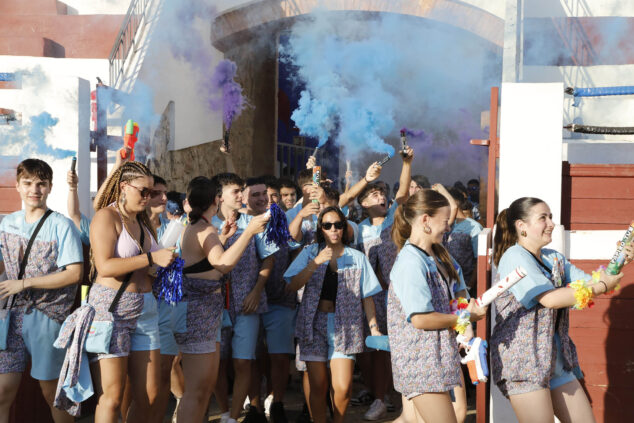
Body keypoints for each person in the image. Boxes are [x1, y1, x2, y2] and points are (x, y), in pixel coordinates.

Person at [491, 197, 631, 423]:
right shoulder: (514, 256)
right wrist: (601, 285)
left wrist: (621, 259)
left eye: (551, 217)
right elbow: (551, 299)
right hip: (524, 363)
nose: (551, 223)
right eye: (543, 218)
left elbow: (590, 283)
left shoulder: (553, 258)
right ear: (521, 226)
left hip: (554, 360)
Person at [88, 161, 177, 423]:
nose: (149, 198)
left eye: (152, 193)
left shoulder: (142, 221)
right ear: (125, 187)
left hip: (146, 310)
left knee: (149, 394)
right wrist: (151, 258)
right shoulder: (107, 216)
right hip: (112, 310)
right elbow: (104, 266)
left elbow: (150, 262)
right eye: (144, 192)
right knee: (112, 396)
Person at [174, 176, 269, 422]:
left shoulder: (199, 227)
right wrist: (248, 232)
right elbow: (223, 264)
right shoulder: (203, 229)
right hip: (199, 315)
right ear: (216, 201)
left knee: (202, 389)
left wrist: (224, 238)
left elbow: (206, 263)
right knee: (196, 390)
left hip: (204, 314)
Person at [388, 189, 487, 423]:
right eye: (444, 221)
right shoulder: (411, 262)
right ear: (425, 220)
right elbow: (420, 319)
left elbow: (456, 295)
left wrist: (464, 320)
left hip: (436, 359)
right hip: (421, 364)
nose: (449, 227)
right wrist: (465, 318)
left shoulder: (436, 254)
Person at [0, 158, 84, 423]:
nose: (34, 189)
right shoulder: (6, 223)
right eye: (28, 183)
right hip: (9, 316)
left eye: (41, 184)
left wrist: (24, 283)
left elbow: (75, 274)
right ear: (17, 186)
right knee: (2, 392)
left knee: (52, 393)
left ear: (49, 187)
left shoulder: (62, 225)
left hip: (47, 318)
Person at [285, 206, 383, 423]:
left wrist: (374, 326)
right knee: (318, 385)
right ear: (321, 228)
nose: (334, 229)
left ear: (344, 227)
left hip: (346, 326)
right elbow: (291, 286)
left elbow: (367, 296)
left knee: (344, 387)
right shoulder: (310, 252)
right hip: (313, 323)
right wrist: (315, 263)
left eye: (338, 224)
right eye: (328, 225)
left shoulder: (357, 257)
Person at [210, 173, 278, 423]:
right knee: (216, 364)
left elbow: (268, 258)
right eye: (236, 192)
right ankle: (225, 410)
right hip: (215, 304)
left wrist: (257, 289)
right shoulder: (208, 224)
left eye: (242, 190)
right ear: (219, 197)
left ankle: (234, 417)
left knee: (243, 362)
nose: (242, 196)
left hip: (248, 302)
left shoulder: (255, 222)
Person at [354, 147, 413, 420]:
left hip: (396, 293)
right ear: (363, 203)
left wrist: (406, 163)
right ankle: (378, 393)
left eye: (382, 193)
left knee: (393, 349)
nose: (381, 196)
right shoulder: (358, 229)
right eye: (374, 194)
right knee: (370, 350)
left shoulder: (393, 219)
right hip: (368, 297)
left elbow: (402, 195)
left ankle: (392, 397)